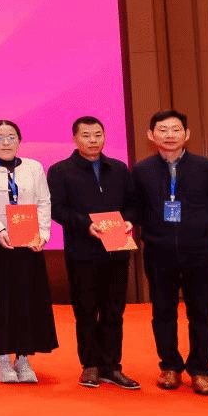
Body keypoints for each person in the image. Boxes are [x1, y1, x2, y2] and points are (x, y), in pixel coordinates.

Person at [132, 110, 208, 396]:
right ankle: (170, 366)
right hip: (159, 252)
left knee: (202, 312)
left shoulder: (207, 168)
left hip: (200, 253)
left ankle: (200, 370)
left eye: (175, 129)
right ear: (151, 135)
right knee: (163, 311)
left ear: (187, 134)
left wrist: (203, 236)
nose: (170, 135)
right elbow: (137, 209)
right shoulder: (141, 170)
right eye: (163, 130)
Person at [48, 115, 141, 390]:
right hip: (82, 251)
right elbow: (57, 209)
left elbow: (134, 204)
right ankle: (90, 365)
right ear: (75, 138)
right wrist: (85, 225)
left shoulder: (119, 169)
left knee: (114, 310)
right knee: (86, 310)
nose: (93, 140)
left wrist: (129, 220)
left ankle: (112, 366)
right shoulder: (61, 171)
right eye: (86, 135)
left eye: (98, 135)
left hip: (117, 250)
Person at [0, 120, 58, 383]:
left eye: (11, 137)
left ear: (19, 140)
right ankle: (2, 360)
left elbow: (44, 202)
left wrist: (43, 234)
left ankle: (24, 358)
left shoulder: (34, 167)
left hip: (28, 245)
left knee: (27, 301)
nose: (5, 142)